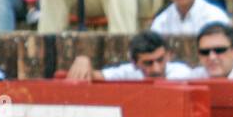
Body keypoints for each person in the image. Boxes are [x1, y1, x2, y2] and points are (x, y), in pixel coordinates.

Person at [67, 30, 196, 81]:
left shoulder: (181, 72)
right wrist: (83, 59)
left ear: (168, 56)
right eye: (148, 63)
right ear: (135, 63)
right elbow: (96, 76)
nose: (156, 68)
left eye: (160, 60)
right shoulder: (130, 72)